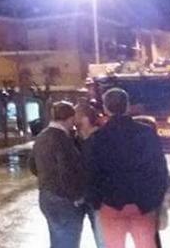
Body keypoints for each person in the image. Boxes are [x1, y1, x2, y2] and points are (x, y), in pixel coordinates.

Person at [85, 88, 168, 248]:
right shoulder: (146, 133)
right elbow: (159, 169)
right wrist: (154, 199)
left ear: (105, 108)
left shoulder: (97, 138)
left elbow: (91, 174)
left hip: (110, 205)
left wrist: (96, 203)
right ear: (128, 106)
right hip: (143, 204)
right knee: (145, 244)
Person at [30, 101, 86, 248]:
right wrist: (76, 197)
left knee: (57, 240)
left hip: (46, 196)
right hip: (64, 200)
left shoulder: (41, 137)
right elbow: (67, 171)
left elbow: (32, 165)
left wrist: (47, 177)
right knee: (68, 242)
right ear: (70, 118)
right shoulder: (62, 139)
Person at [75, 102, 105, 248]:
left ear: (85, 120)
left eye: (77, 122)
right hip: (88, 199)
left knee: (103, 240)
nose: (75, 125)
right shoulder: (81, 140)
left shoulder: (98, 141)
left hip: (98, 201)